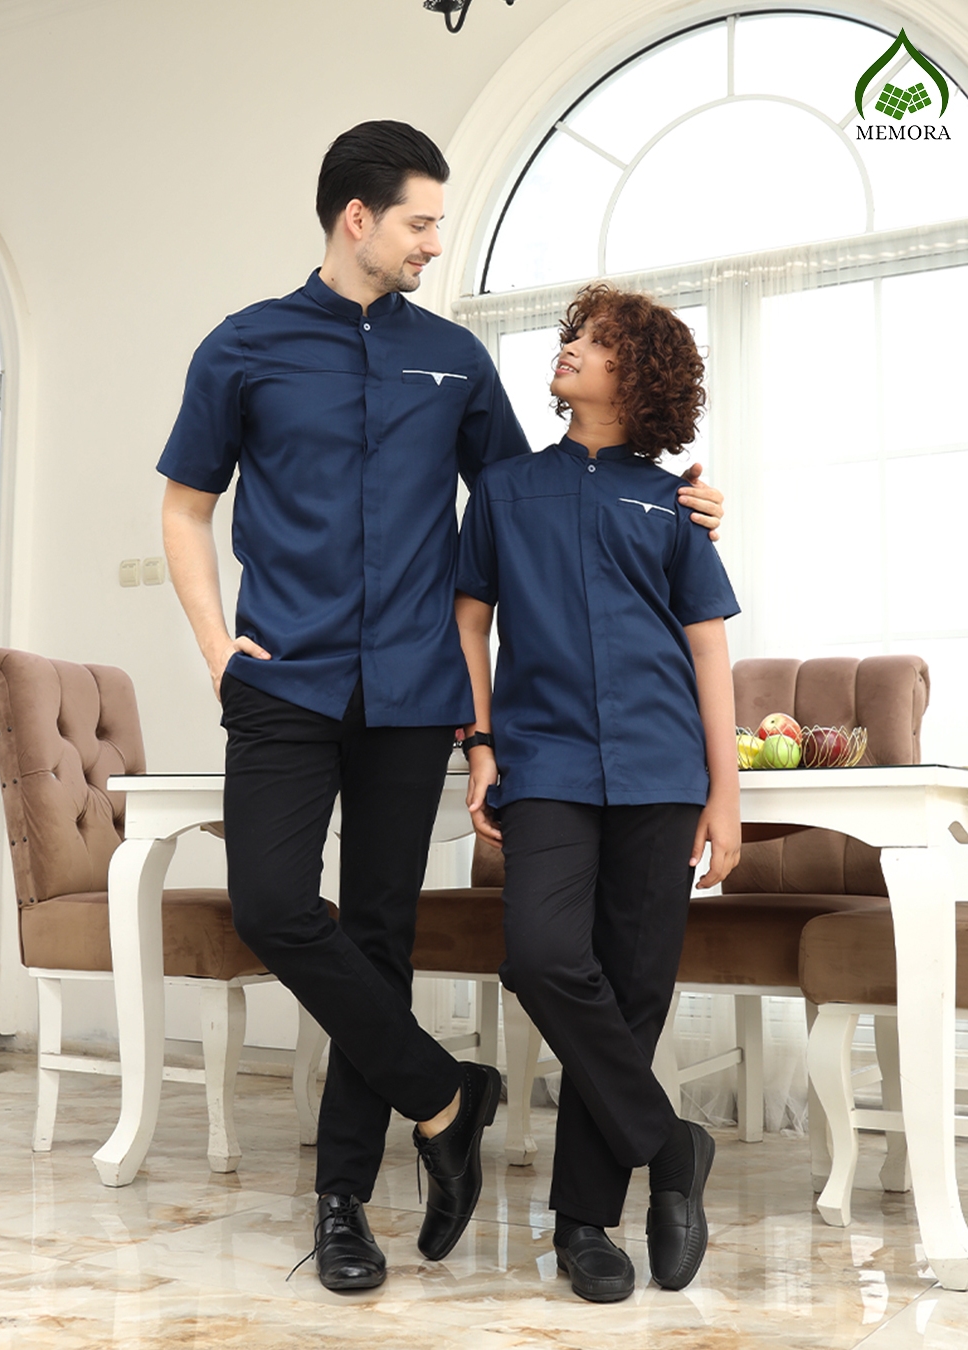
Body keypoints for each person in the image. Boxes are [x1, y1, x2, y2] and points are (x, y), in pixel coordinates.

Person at [158, 122, 726, 1293]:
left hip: (414, 692)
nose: (432, 242)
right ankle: (444, 1093)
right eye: (420, 222)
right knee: (272, 905)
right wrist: (217, 647)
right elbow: (185, 506)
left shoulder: (454, 361)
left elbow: (538, 498)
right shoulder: (244, 346)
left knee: (378, 934)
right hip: (282, 677)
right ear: (357, 218)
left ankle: (343, 1204)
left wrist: (678, 503)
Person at [454, 285, 741, 1303]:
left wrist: (725, 795)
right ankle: (671, 1145)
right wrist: (480, 744)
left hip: (662, 769)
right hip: (546, 765)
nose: (570, 348)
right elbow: (470, 623)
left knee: (632, 991)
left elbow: (707, 652)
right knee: (540, 956)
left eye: (596, 340)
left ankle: (584, 1223)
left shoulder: (674, 502)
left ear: (641, 374)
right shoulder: (502, 489)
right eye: (570, 334)